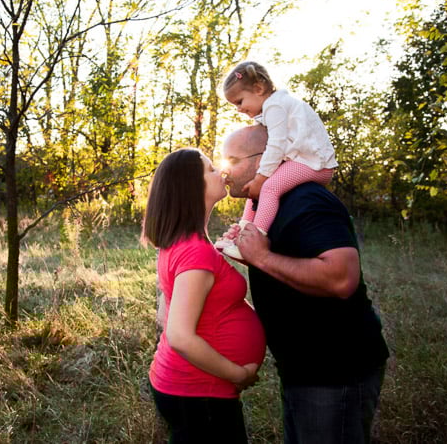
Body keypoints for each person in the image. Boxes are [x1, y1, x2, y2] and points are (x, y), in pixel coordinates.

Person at [221, 124, 390, 444]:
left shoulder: (306, 200)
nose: (224, 170)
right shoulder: (267, 203)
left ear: (265, 160)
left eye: (232, 160)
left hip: (335, 370)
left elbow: (341, 278)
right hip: (303, 368)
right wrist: (250, 255)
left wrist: (263, 259)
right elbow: (286, 260)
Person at [142, 148, 266, 443]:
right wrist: (238, 374)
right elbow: (180, 336)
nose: (221, 171)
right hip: (198, 392)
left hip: (189, 390)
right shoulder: (195, 252)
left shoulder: (183, 242)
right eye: (211, 169)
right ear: (191, 187)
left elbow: (165, 313)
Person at [216, 61, 338, 260]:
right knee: (255, 189)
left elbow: (276, 145)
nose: (238, 109)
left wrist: (261, 178)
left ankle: (255, 240)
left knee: (269, 187)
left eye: (239, 101)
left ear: (258, 88)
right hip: (300, 161)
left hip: (315, 164)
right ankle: (241, 235)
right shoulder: (269, 110)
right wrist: (256, 181)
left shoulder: (275, 106)